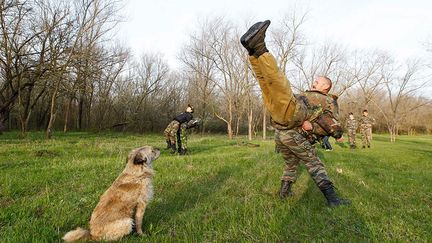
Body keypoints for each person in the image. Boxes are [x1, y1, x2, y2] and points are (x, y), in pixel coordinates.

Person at [240, 20, 350, 207]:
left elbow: (335, 128)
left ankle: (257, 49)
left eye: (318, 82)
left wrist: (312, 126)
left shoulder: (329, 100)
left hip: (290, 122)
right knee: (268, 84)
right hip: (286, 126)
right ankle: (254, 52)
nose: (314, 83)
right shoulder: (310, 95)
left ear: (326, 86)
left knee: (277, 85)